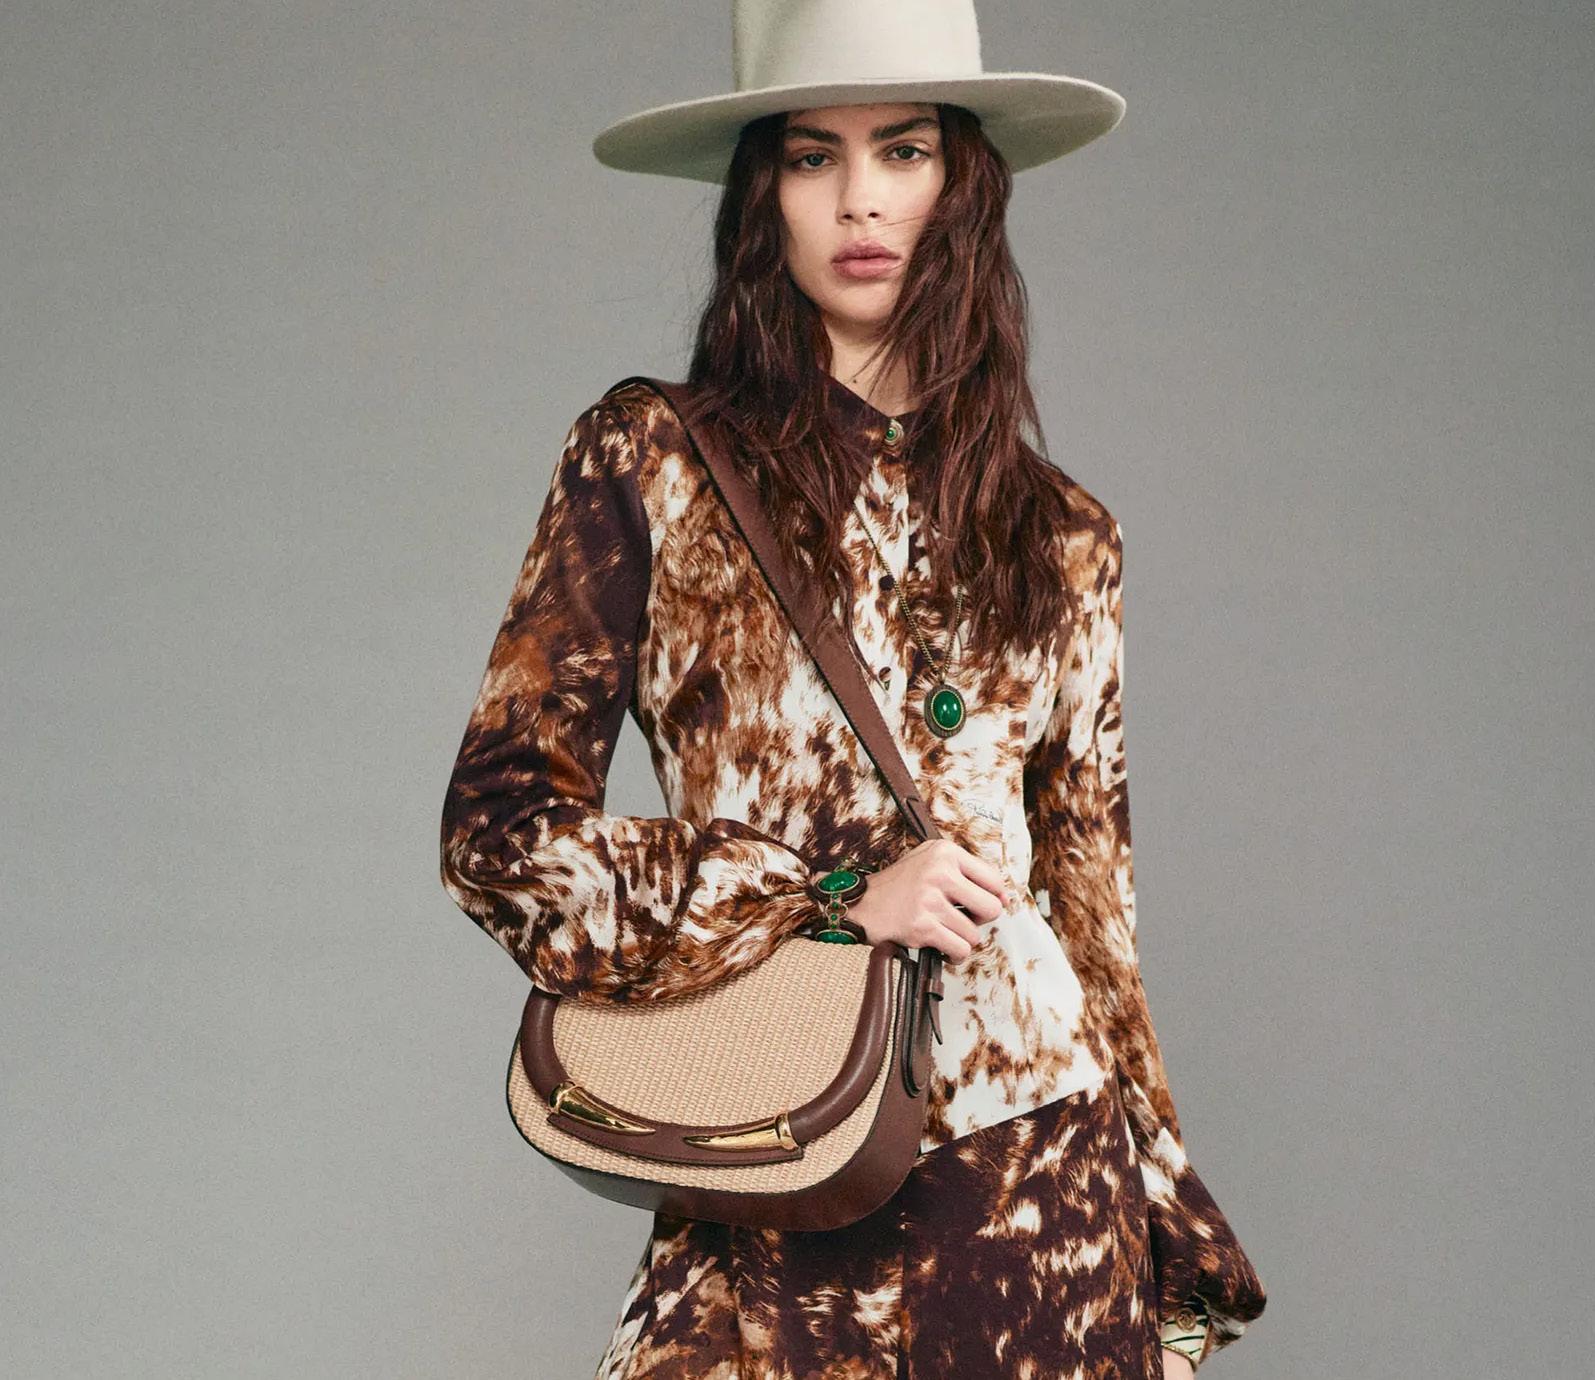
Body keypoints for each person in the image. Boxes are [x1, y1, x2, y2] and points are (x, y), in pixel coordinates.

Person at [438, 3, 1267, 1376]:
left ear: (964, 183)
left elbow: (1093, 918)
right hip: (783, 1140)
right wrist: (826, 902)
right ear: (762, 194)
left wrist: (1175, 1269)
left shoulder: (1066, 534)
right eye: (812, 156)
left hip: (1044, 1186)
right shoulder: (655, 460)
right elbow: (500, 833)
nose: (861, 199)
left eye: (905, 151)